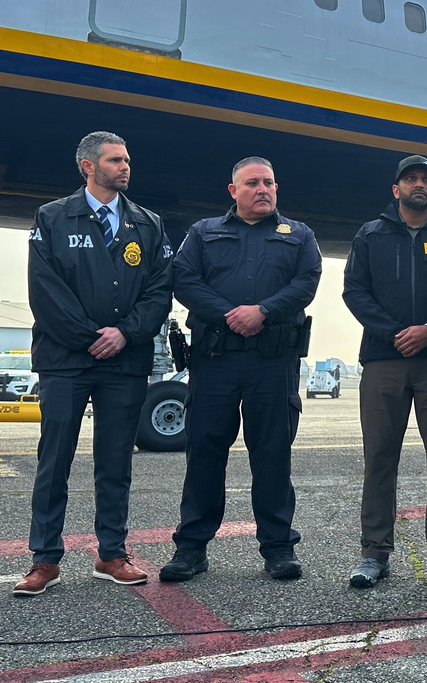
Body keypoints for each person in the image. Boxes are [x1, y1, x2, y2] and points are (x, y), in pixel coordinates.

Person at [13, 131, 173, 596]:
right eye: (115, 160)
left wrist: (125, 333)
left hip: (124, 360)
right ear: (88, 165)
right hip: (65, 359)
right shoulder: (53, 217)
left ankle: (111, 552)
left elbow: (160, 288)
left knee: (116, 459)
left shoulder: (149, 223)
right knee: (54, 457)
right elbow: (45, 290)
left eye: (127, 159)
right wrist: (91, 338)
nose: (125, 167)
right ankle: (45, 558)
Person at [160, 156, 321, 582]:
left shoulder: (299, 235)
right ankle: (191, 548)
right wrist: (231, 313)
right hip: (216, 360)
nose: (263, 189)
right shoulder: (203, 232)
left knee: (272, 453)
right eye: (252, 183)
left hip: (273, 361)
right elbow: (184, 279)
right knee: (204, 453)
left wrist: (263, 312)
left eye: (269, 182)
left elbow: (306, 283)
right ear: (234, 191)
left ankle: (278, 547)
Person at [343, 155, 427, 588]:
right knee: (379, 458)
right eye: (410, 178)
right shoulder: (370, 235)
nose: (419, 184)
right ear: (395, 189)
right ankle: (374, 552)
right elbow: (354, 292)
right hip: (384, 360)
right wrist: (394, 332)